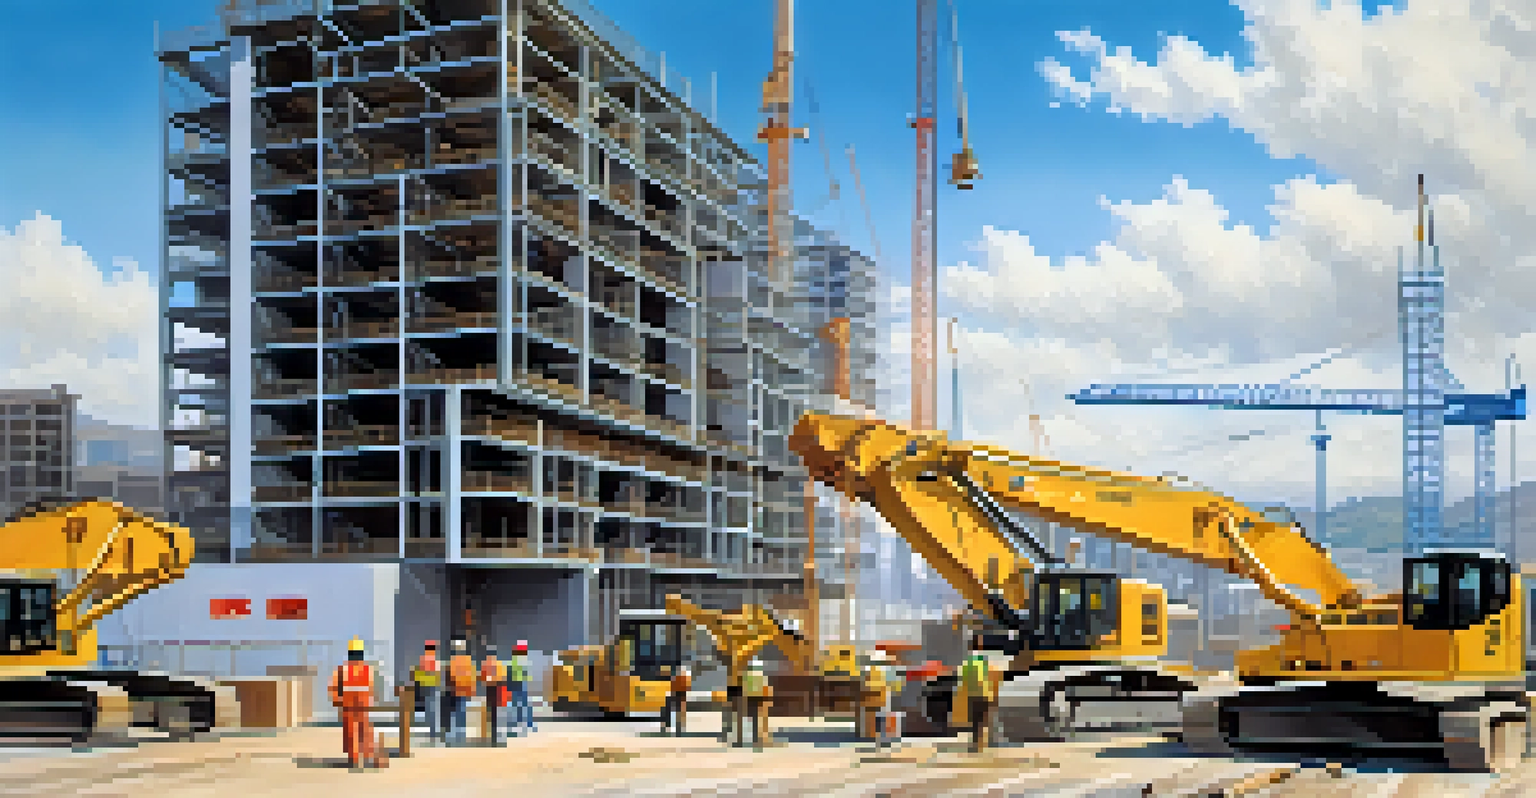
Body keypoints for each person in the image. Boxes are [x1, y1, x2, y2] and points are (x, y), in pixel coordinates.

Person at [328, 637, 383, 769]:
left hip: (349, 705)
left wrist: (337, 701)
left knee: (352, 732)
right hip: (363, 705)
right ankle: (366, 757)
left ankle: (354, 758)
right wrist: (373, 700)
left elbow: (334, 687)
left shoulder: (342, 670)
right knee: (365, 732)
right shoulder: (367, 669)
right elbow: (372, 687)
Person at [961, 635, 996, 753]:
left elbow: (964, 679)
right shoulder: (982, 660)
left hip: (972, 693)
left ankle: (976, 743)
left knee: (975, 720)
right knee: (983, 720)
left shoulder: (966, 661)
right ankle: (982, 743)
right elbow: (986, 677)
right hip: (983, 693)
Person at [446, 637, 478, 747]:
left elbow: (451, 675)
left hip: (456, 689)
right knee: (461, 711)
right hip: (463, 689)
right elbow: (472, 676)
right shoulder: (467, 661)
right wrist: (472, 689)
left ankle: (456, 732)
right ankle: (460, 732)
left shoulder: (453, 661)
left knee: (456, 711)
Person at [413, 640, 444, 746]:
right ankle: (434, 732)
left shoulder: (423, 660)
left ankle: (432, 731)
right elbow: (437, 674)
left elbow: (418, 674)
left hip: (425, 686)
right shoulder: (435, 661)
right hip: (433, 686)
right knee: (434, 709)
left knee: (430, 709)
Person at [480, 644, 507, 746]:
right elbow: (502, 677)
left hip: (490, 689)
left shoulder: (485, 664)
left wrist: (488, 680)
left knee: (491, 713)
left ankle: (492, 736)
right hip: (496, 689)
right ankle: (495, 737)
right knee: (496, 713)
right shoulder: (498, 664)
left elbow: (482, 678)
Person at [507, 640, 535, 735]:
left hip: (517, 683)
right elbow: (527, 673)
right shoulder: (524, 660)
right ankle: (528, 723)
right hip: (521, 683)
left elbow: (510, 672)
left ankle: (519, 721)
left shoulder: (514, 660)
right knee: (525, 704)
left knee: (518, 704)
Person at [662, 662, 690, 736]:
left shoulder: (678, 679)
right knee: (676, 710)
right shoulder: (680, 679)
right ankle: (676, 726)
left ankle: (670, 726)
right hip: (678, 697)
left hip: (678, 697)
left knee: (673, 709)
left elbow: (674, 689)